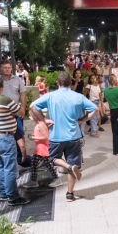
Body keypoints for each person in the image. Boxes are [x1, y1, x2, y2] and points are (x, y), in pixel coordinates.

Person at [30, 71, 98, 202]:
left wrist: (44, 119)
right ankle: (70, 193)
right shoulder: (78, 96)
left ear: (57, 83)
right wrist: (82, 120)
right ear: (70, 83)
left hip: (56, 136)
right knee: (74, 163)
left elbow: (32, 106)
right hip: (73, 135)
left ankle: (67, 167)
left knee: (52, 158)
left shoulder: (51, 96)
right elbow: (94, 109)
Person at [0, 75, 30, 207]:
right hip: (4, 137)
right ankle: (13, 197)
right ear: (1, 86)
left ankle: (3, 194)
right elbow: (19, 112)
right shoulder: (4, 100)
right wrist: (19, 106)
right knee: (10, 167)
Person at [27, 110, 59, 186]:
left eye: (30, 116)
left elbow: (45, 137)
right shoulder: (40, 124)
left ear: (35, 116)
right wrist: (35, 136)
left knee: (43, 164)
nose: (29, 117)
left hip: (42, 149)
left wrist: (34, 138)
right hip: (41, 148)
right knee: (37, 164)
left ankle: (34, 181)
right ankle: (34, 181)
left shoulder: (40, 125)